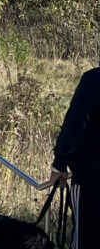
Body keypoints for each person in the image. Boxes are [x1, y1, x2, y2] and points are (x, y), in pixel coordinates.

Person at [49, 63, 100, 247]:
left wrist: (59, 165)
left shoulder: (93, 80)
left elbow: (76, 125)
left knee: (86, 240)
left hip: (92, 182)